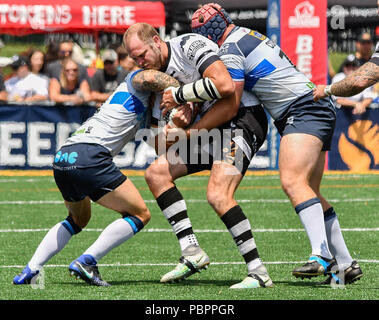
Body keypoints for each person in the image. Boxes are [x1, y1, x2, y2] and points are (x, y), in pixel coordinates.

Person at [191, 3, 363, 285]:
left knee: (292, 181)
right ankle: (345, 265)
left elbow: (231, 101)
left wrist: (193, 119)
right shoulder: (247, 34)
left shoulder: (230, 49)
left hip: (303, 109)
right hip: (315, 105)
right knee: (310, 191)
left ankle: (321, 256)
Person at [124, 23, 273, 289]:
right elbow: (160, 144)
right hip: (209, 130)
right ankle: (192, 252)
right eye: (134, 59)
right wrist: (176, 127)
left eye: (142, 54)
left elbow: (227, 90)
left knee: (218, 194)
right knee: (156, 173)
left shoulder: (189, 45)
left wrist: (188, 119)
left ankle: (258, 272)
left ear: (157, 41)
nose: (139, 62)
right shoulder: (156, 78)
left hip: (242, 119)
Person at [13, 67, 184, 286]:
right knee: (140, 214)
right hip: (91, 156)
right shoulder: (135, 82)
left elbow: (158, 145)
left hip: (64, 156)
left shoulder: (133, 102)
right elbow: (150, 76)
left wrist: (173, 124)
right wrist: (183, 94)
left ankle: (31, 269)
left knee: (78, 219)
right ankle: (87, 261)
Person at [313, 42, 379, 101]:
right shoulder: (339, 77)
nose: (350, 68)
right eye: (348, 65)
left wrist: (326, 90)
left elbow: (360, 82)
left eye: (353, 65)